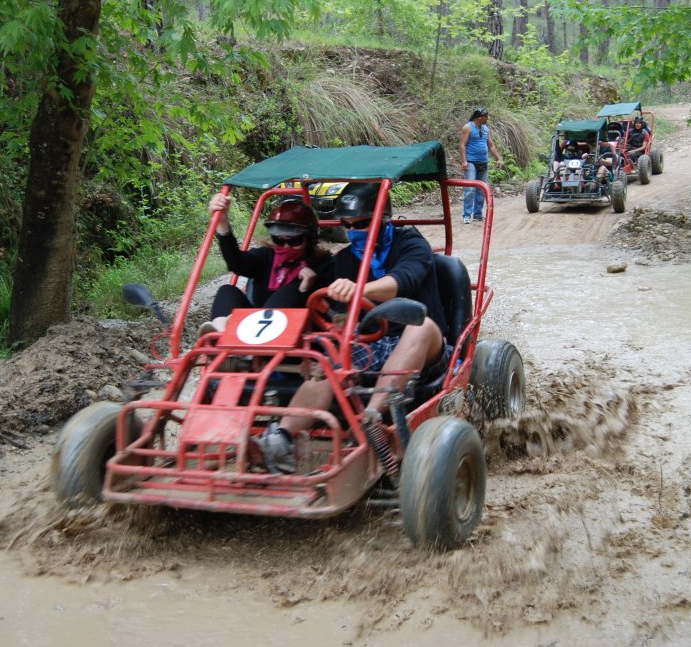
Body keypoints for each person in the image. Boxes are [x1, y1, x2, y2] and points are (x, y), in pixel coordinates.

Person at [256, 185, 451, 474]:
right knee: (330, 360)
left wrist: (358, 290)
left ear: (382, 218)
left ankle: (372, 417)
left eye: (361, 224)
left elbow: (403, 281)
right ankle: (281, 437)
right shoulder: (346, 260)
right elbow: (333, 307)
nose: (353, 231)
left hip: (424, 344)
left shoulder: (410, 243)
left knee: (419, 327)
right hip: (370, 344)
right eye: (347, 225)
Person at [200, 192, 330, 335]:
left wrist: (308, 288)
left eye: (294, 241)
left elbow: (331, 308)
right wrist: (222, 223)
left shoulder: (322, 265)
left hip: (293, 335)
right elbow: (236, 263)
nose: (286, 247)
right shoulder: (266, 256)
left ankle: (246, 340)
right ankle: (220, 333)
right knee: (227, 290)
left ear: (309, 239)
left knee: (290, 291)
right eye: (279, 240)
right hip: (253, 328)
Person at [459, 108, 502, 224]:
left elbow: (491, 145)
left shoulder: (485, 129)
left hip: (483, 162)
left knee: (482, 189)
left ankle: (477, 214)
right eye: (486, 116)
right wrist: (464, 161)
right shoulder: (468, 128)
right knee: (470, 188)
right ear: (479, 117)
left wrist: (498, 158)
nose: (487, 118)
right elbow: (462, 145)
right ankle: (467, 215)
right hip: (471, 162)